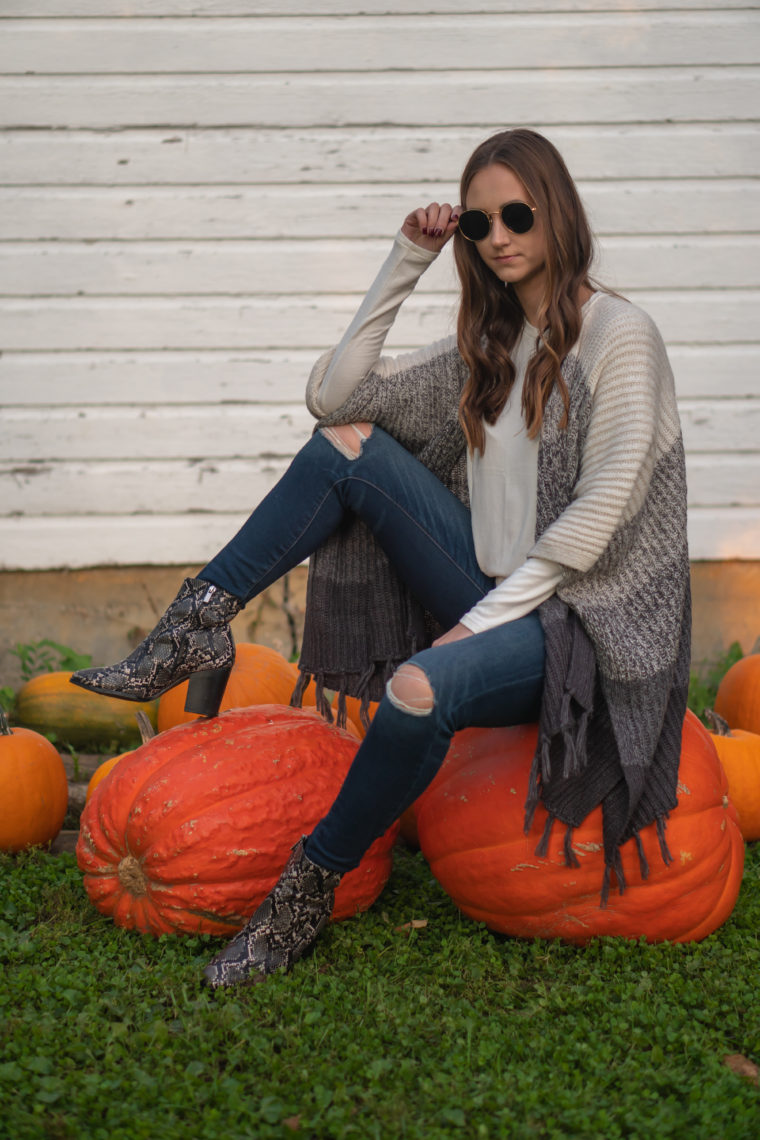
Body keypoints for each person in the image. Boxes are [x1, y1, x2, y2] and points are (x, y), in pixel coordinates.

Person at [71, 128, 691, 989]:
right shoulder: (491, 342)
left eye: (517, 214)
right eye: (479, 224)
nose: (500, 236)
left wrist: (471, 629)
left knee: (415, 688)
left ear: (558, 213)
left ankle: (304, 892)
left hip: (581, 629)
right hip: (490, 593)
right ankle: (195, 625)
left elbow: (603, 513)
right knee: (346, 446)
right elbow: (335, 395)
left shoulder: (621, 339)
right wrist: (409, 257)